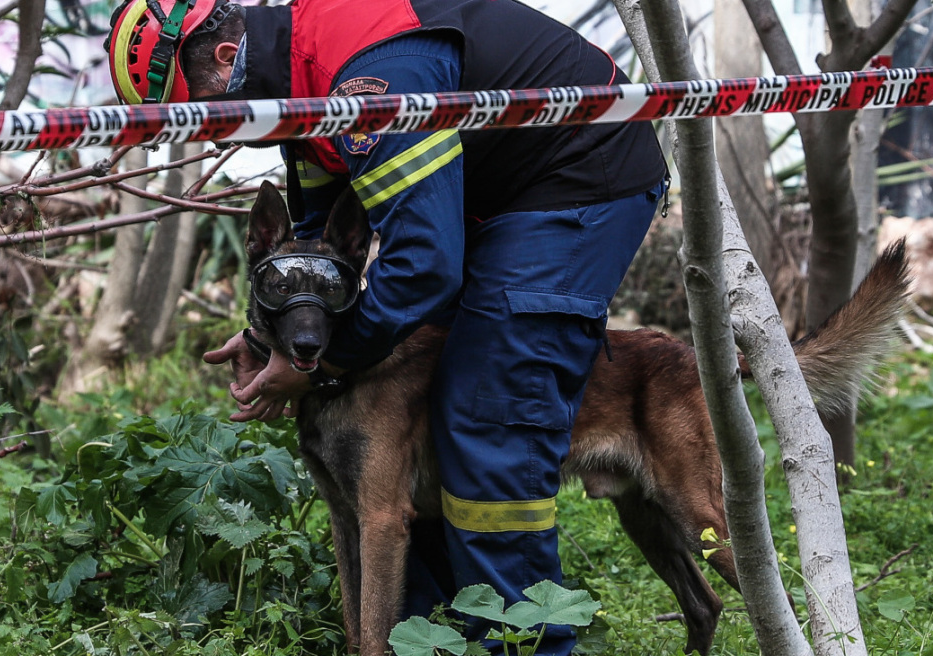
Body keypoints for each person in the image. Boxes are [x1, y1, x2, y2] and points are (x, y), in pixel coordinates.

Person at [106, 1, 666, 652]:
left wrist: (325, 361)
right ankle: (426, 640)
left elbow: (423, 265)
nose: (216, 139)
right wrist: (270, 336)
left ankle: (525, 642)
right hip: (490, 197)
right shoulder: (302, 90)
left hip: (578, 176)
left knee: (487, 418)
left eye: (204, 118)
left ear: (229, 60)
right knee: (414, 420)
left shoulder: (371, 78)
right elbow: (315, 242)